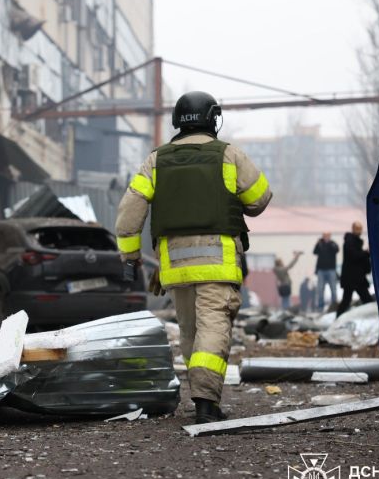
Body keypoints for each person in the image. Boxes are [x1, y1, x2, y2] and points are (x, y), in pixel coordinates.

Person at [115, 91, 272, 424]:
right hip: (218, 263)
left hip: (176, 268)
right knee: (213, 329)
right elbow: (260, 199)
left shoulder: (156, 160)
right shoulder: (229, 155)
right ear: (213, 119)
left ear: (177, 121)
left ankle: (202, 396)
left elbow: (129, 211)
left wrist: (130, 256)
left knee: (189, 333)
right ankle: (205, 402)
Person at [338, 221, 373, 316]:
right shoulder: (349, 242)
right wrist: (366, 253)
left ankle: (372, 319)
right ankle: (337, 319)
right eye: (357, 229)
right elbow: (354, 256)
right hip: (352, 278)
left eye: (360, 229)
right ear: (353, 229)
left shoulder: (355, 242)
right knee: (348, 300)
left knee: (366, 300)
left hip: (357, 278)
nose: (359, 231)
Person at [313, 232, 339, 310]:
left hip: (331, 269)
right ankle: (321, 307)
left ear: (330, 236)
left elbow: (337, 250)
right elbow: (315, 252)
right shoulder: (320, 244)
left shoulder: (333, 243)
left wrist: (329, 243)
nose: (325, 237)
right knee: (320, 289)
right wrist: (318, 244)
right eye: (324, 235)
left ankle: (334, 306)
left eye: (327, 236)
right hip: (321, 270)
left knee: (333, 289)